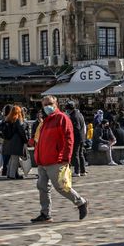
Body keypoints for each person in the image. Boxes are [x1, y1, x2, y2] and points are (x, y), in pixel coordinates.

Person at [31, 95, 88, 223]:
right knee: (42, 187)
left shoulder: (61, 118)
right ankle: (45, 214)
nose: (47, 106)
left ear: (56, 104)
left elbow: (69, 139)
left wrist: (66, 157)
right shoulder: (46, 120)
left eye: (49, 103)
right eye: (44, 104)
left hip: (55, 160)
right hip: (43, 161)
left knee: (61, 187)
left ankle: (80, 202)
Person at [0, 106, 29, 179]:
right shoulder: (17, 120)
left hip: (8, 142)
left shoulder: (7, 119)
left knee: (11, 159)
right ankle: (12, 175)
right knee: (15, 159)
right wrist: (26, 140)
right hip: (16, 142)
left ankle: (10, 174)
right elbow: (21, 131)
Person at [65, 100, 88, 176]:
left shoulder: (74, 116)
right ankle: (83, 171)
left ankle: (77, 171)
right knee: (81, 154)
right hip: (82, 137)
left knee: (75, 154)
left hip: (77, 138)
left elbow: (76, 128)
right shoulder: (79, 114)